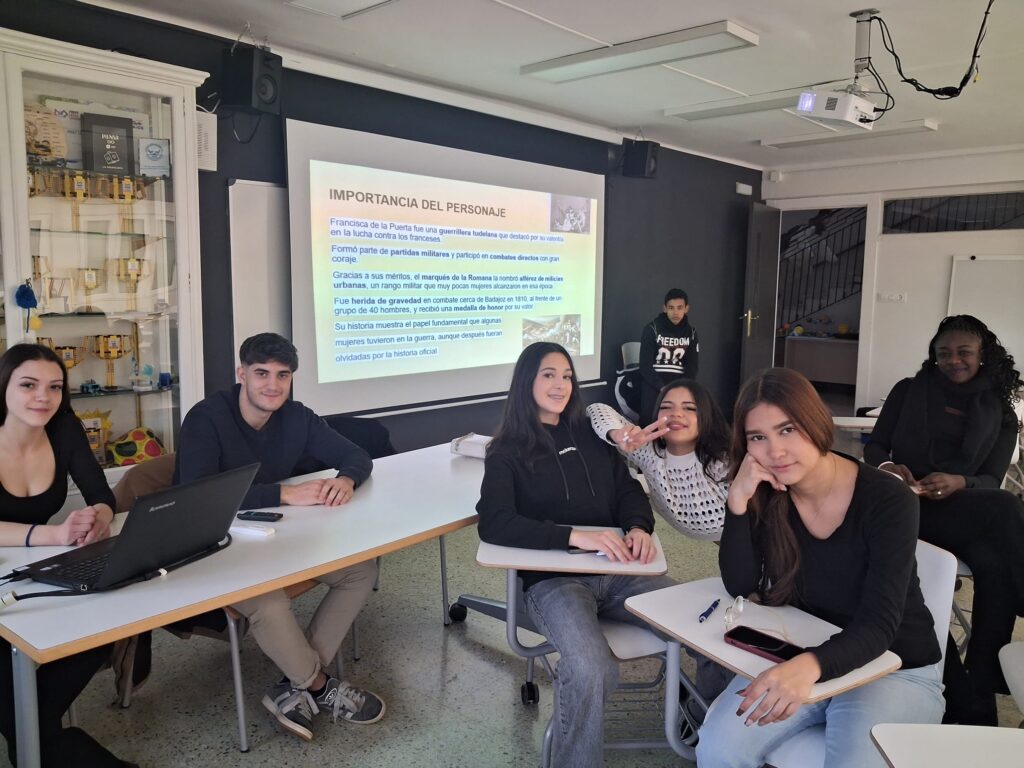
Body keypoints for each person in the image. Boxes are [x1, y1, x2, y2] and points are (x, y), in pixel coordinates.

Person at [697, 368, 944, 768]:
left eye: (787, 429)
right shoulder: (769, 491)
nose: (775, 451)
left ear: (815, 422)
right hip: (805, 646)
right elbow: (741, 583)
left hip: (895, 665)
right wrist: (738, 500)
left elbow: (880, 625)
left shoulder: (889, 499)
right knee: (716, 748)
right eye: (757, 437)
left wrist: (808, 667)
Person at [175, 332, 384, 742]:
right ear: (241, 374)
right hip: (208, 545)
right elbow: (199, 496)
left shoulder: (295, 416)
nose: (272, 385)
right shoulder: (206, 418)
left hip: (272, 538)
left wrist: (345, 479)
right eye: (261, 373)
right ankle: (319, 686)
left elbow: (357, 456)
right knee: (269, 602)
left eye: (282, 375)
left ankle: (294, 686)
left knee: (360, 570)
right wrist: (285, 494)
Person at [476, 342, 675, 767]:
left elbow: (627, 491)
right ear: (526, 381)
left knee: (701, 625)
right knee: (591, 668)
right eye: (548, 374)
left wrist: (639, 527)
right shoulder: (507, 449)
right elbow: (494, 522)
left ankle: (698, 724)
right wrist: (574, 536)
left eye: (567, 376)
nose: (560, 385)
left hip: (619, 570)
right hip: (554, 583)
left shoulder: (590, 434)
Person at [864, 314, 1024, 724]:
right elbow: (875, 445)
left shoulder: (1000, 409)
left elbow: (990, 479)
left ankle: (978, 686)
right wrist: (888, 466)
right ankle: (979, 693)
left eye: (963, 352)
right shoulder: (908, 391)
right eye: (944, 353)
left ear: (983, 354)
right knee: (1007, 511)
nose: (953, 360)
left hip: (961, 509)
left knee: (994, 560)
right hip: (905, 507)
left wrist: (960, 481)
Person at [0, 343, 136, 767]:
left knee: (98, 630)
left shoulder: (63, 428)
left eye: (55, 387)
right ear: (3, 387)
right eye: (28, 385)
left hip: (27, 572)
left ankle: (31, 729)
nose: (43, 396)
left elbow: (101, 494)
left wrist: (99, 518)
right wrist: (55, 533)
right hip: (20, 573)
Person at [588, 378, 730, 540]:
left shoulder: (722, 461)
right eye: (666, 407)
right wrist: (617, 434)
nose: (676, 413)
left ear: (707, 416)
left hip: (740, 535)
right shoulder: (649, 453)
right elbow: (596, 408)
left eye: (690, 408)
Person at [639, 288, 699, 424]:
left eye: (679, 308)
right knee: (649, 420)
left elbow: (692, 367)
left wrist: (680, 387)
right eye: (671, 308)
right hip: (654, 383)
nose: (675, 312)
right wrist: (662, 387)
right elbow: (645, 366)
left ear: (686, 309)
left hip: (679, 383)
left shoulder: (692, 333)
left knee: (679, 419)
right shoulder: (652, 329)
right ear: (665, 308)